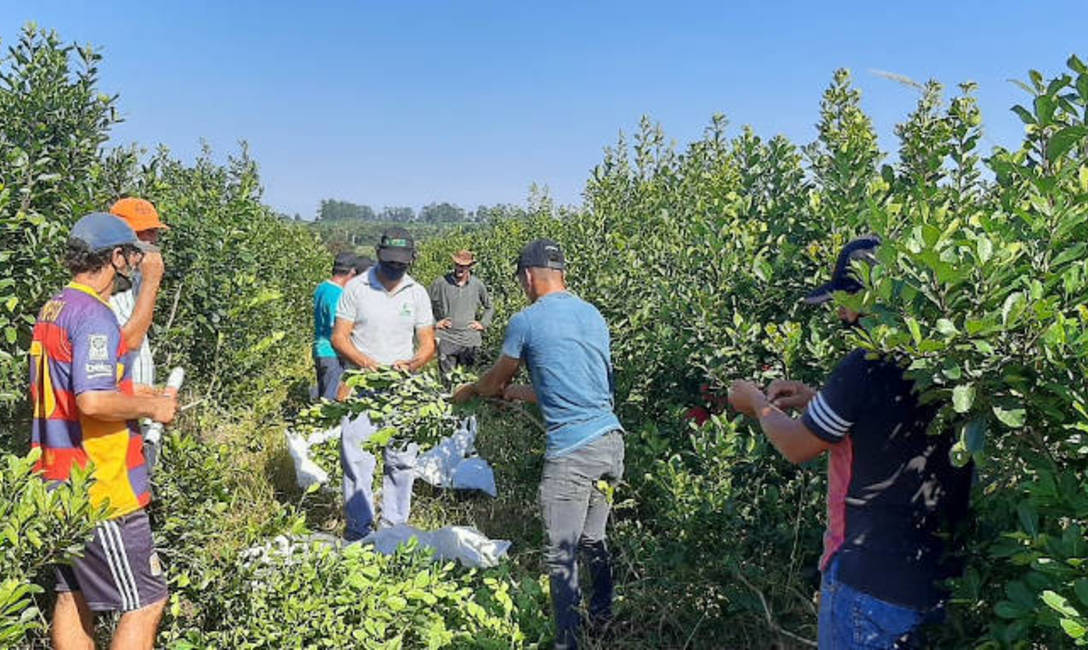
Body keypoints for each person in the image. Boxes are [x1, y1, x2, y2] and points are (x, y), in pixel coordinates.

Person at [726, 236, 971, 649]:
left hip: (867, 582)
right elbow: (884, 423)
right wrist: (816, 399)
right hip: (933, 578)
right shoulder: (944, 358)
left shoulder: (865, 364)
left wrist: (754, 402)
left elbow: (797, 446)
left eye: (845, 299)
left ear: (873, 296)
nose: (840, 312)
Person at [453, 239, 624, 650]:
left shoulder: (526, 321)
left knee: (561, 554)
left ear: (528, 277)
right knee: (593, 540)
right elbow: (579, 388)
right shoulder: (593, 315)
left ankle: (569, 642)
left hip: (572, 454)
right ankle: (603, 622)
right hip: (611, 444)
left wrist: (472, 389)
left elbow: (493, 381)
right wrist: (516, 394)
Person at [30, 212, 178, 650]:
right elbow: (91, 401)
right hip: (100, 487)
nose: (133, 265)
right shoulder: (95, 315)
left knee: (73, 596)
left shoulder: (55, 306)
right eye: (130, 256)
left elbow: (65, 384)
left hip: (57, 482)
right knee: (145, 601)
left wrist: (132, 390)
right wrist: (153, 406)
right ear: (114, 257)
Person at [331, 227, 436, 538]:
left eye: (401, 264)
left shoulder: (416, 292)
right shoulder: (357, 288)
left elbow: (428, 343)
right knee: (356, 458)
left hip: (401, 388)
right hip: (362, 385)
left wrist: (415, 363)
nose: (394, 269)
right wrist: (367, 365)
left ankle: (394, 529)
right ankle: (359, 530)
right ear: (378, 255)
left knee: (401, 459)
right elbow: (339, 337)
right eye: (389, 262)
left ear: (411, 261)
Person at [107, 197, 168, 469]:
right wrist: (153, 280)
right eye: (144, 234)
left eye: (154, 232)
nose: (151, 241)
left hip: (140, 414)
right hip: (117, 419)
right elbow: (128, 342)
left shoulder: (133, 283)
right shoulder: (104, 291)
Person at [429, 249, 494, 373]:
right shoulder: (441, 282)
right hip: (447, 338)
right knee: (447, 381)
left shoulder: (477, 284)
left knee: (468, 381)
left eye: (464, 266)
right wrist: (434, 323)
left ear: (470, 266)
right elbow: (424, 303)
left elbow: (489, 306)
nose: (460, 268)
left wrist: (483, 323)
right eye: (458, 265)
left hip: (469, 340)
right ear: (454, 264)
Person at [312, 252, 361, 400]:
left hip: (320, 348)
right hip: (332, 353)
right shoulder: (338, 295)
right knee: (331, 401)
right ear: (352, 272)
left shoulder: (322, 287)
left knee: (323, 395)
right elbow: (339, 328)